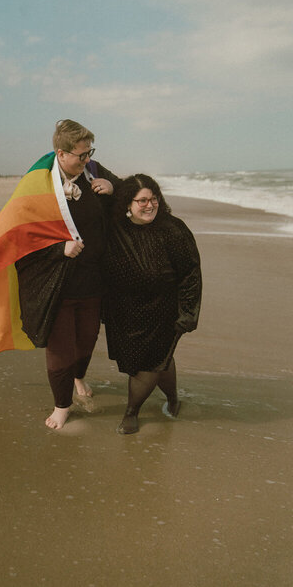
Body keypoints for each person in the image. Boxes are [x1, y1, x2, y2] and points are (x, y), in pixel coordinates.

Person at [15, 120, 119, 430]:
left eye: (90, 152)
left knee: (86, 340)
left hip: (93, 281)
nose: (88, 159)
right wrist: (58, 249)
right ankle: (62, 405)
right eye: (81, 155)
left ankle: (79, 378)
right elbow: (21, 235)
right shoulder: (38, 184)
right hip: (57, 282)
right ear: (61, 153)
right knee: (61, 348)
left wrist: (113, 189)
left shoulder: (95, 170)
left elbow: (127, 190)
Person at [103, 174, 202, 434]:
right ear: (127, 203)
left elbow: (191, 273)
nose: (150, 205)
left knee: (148, 364)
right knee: (161, 361)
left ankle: (131, 412)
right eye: (142, 200)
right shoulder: (114, 227)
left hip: (163, 311)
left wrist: (188, 312)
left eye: (154, 199)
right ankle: (173, 398)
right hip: (124, 311)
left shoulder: (173, 229)